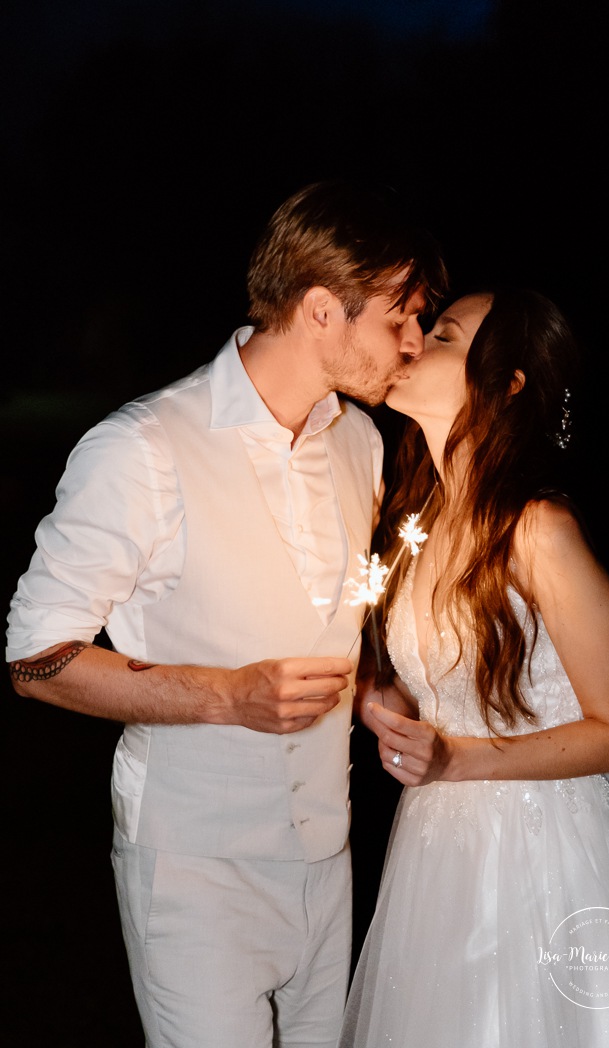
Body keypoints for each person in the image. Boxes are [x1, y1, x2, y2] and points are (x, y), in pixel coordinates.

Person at [5, 179, 448, 1048]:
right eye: (398, 317)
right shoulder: (142, 447)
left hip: (330, 854)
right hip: (195, 868)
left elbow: (333, 610)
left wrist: (370, 691)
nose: (412, 344)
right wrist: (222, 696)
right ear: (322, 310)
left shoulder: (358, 442)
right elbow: (33, 659)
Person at [338, 289, 609, 1047]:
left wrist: (459, 758)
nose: (411, 344)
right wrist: (382, 697)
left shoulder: (539, 528)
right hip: (435, 850)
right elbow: (433, 681)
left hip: (546, 850)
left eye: (442, 336)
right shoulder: (418, 525)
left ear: (506, 382)